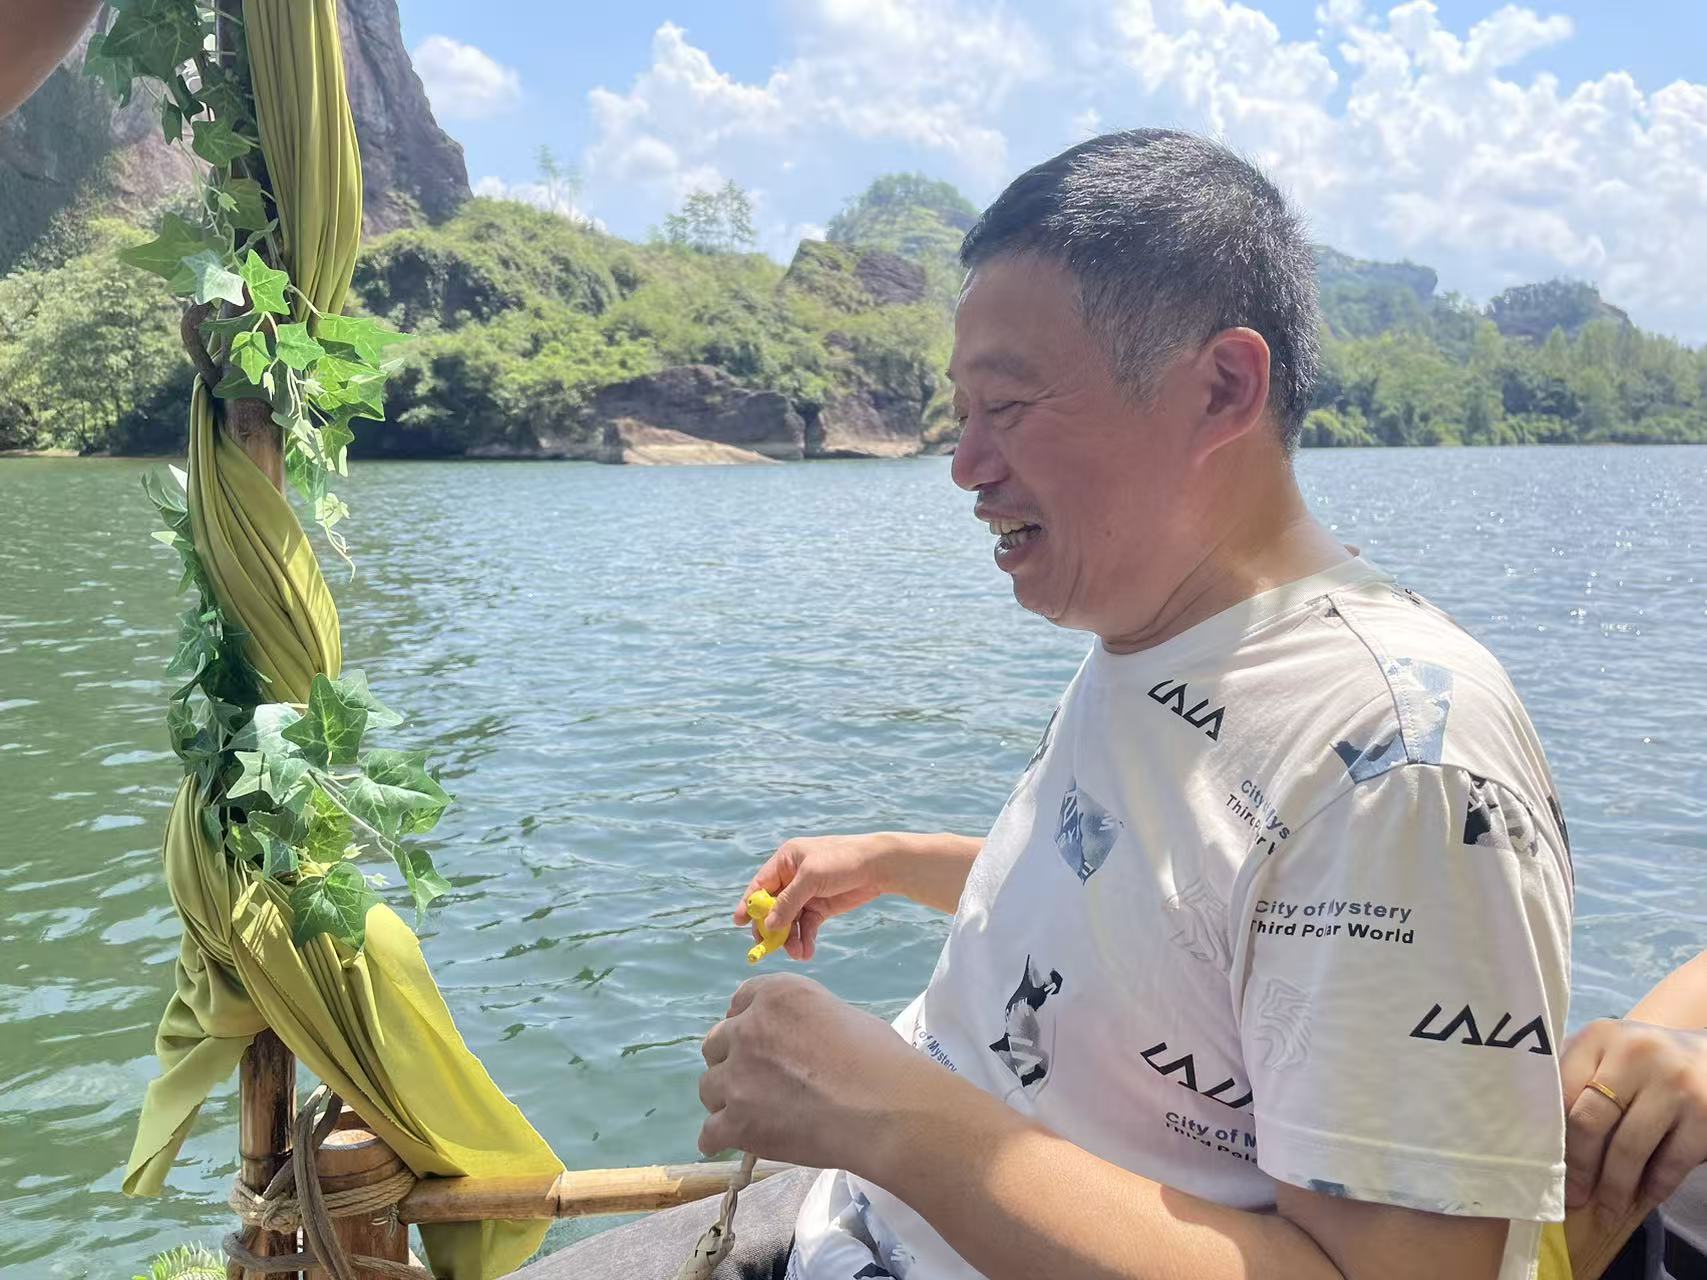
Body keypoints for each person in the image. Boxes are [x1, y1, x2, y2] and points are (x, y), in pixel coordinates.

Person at [530, 128, 1577, 1280]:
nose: (965, 464)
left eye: (1010, 405)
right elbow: (1173, 915)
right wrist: (897, 859)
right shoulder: (1162, 632)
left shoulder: (1403, 769)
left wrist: (889, 1112)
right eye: (961, 411)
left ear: (1222, 388)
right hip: (858, 1215)